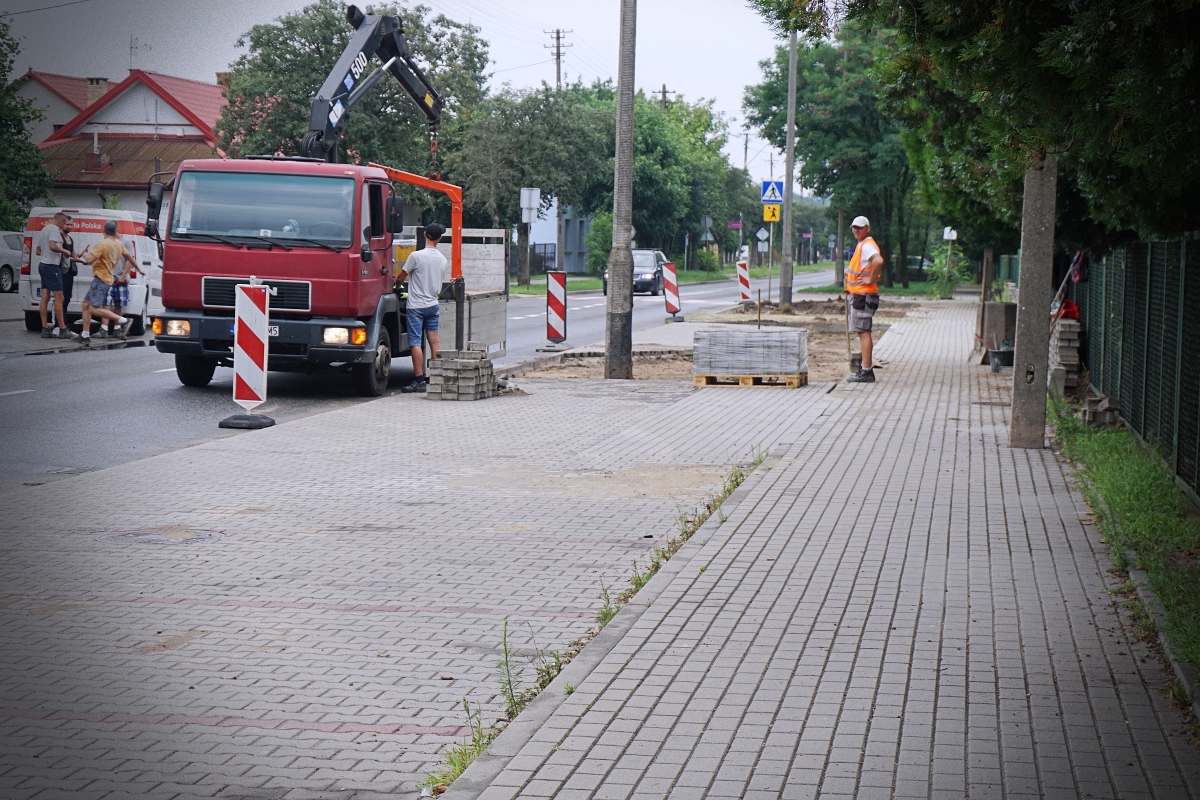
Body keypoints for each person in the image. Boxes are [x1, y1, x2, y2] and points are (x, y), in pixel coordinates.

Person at [397, 223, 447, 393]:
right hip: (433, 305)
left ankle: (419, 380)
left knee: (415, 342)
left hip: (416, 307)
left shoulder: (415, 256)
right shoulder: (442, 259)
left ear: (425, 234)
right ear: (439, 238)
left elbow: (400, 277)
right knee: (435, 342)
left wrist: (398, 286)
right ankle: (437, 378)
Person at [74, 220, 136, 347]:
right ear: (116, 230)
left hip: (101, 279)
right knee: (86, 304)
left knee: (93, 308)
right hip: (105, 279)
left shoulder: (102, 244)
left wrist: (84, 255)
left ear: (103, 230)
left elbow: (90, 260)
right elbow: (130, 257)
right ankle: (85, 334)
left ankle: (122, 320)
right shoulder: (118, 244)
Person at [845, 215, 883, 383]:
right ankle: (865, 369)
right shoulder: (862, 245)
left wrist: (870, 279)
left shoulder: (867, 245)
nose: (856, 230)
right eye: (854, 227)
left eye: (859, 227)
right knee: (863, 332)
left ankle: (867, 371)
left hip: (864, 295)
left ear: (868, 228)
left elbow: (878, 261)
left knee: (864, 332)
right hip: (860, 295)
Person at [34, 212, 71, 339]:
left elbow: (38, 250)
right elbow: (52, 246)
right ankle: (62, 328)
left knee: (45, 297)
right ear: (60, 221)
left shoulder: (44, 229)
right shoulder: (55, 229)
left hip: (43, 265)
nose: (64, 225)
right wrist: (64, 250)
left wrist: (46, 254)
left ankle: (45, 328)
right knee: (59, 297)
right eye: (65, 223)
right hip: (51, 266)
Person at [59, 216, 80, 330]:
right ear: (62, 224)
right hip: (61, 271)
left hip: (69, 272)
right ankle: (59, 325)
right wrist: (75, 259)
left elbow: (73, 255)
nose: (70, 227)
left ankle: (64, 323)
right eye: (68, 224)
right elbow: (61, 257)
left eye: (71, 225)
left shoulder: (70, 238)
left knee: (67, 298)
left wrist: (80, 256)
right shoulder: (59, 237)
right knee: (60, 299)